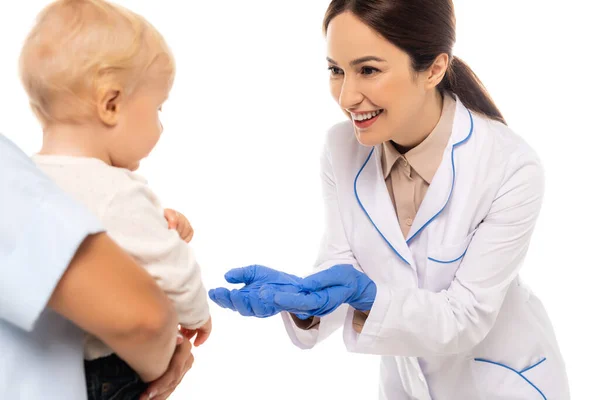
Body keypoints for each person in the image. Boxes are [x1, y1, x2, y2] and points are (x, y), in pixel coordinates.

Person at [209, 1, 570, 399]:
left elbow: (465, 316)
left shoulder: (510, 166)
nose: (346, 96)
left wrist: (368, 295)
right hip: (405, 386)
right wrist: (306, 304)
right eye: (336, 70)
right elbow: (343, 264)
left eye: (368, 70)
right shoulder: (340, 147)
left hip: (500, 384)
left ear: (433, 68)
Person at [17, 0, 211, 398]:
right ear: (111, 105)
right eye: (157, 107)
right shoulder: (115, 190)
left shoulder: (24, 181)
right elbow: (173, 271)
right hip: (107, 373)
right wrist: (198, 314)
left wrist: (157, 224)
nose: (161, 123)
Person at [0, 133, 194, 400]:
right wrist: (184, 333)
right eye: (155, 108)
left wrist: (152, 229)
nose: (159, 129)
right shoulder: (12, 176)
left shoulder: (36, 174)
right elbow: (145, 322)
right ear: (110, 107)